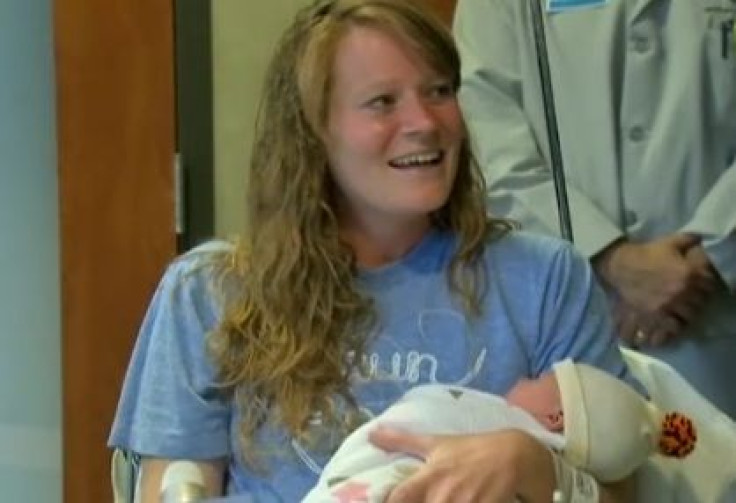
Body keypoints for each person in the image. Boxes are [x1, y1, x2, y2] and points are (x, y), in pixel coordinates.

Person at [109, 0, 641, 501]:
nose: (425, 123)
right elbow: (175, 483)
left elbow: (631, 486)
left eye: (438, 91)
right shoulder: (209, 291)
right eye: (383, 102)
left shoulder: (544, 279)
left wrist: (530, 465)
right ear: (312, 133)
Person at [453, 0, 736, 418]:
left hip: (717, 315)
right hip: (564, 324)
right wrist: (610, 257)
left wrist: (713, 251)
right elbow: (484, 139)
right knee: (580, 472)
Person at [303, 359, 696, 503]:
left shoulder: (550, 277)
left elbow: (617, 494)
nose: (525, 378)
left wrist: (529, 463)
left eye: (542, 378)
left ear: (557, 418)